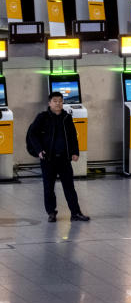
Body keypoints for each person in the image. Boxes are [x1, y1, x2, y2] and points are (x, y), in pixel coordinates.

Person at [25, 92, 90, 223]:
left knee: (69, 187)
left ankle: (75, 213)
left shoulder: (67, 117)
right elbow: (33, 134)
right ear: (49, 103)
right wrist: (38, 150)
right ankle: (51, 213)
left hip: (64, 159)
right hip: (48, 159)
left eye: (60, 101)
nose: (58, 103)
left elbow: (73, 136)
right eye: (55, 101)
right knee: (48, 188)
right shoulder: (42, 117)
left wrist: (75, 152)